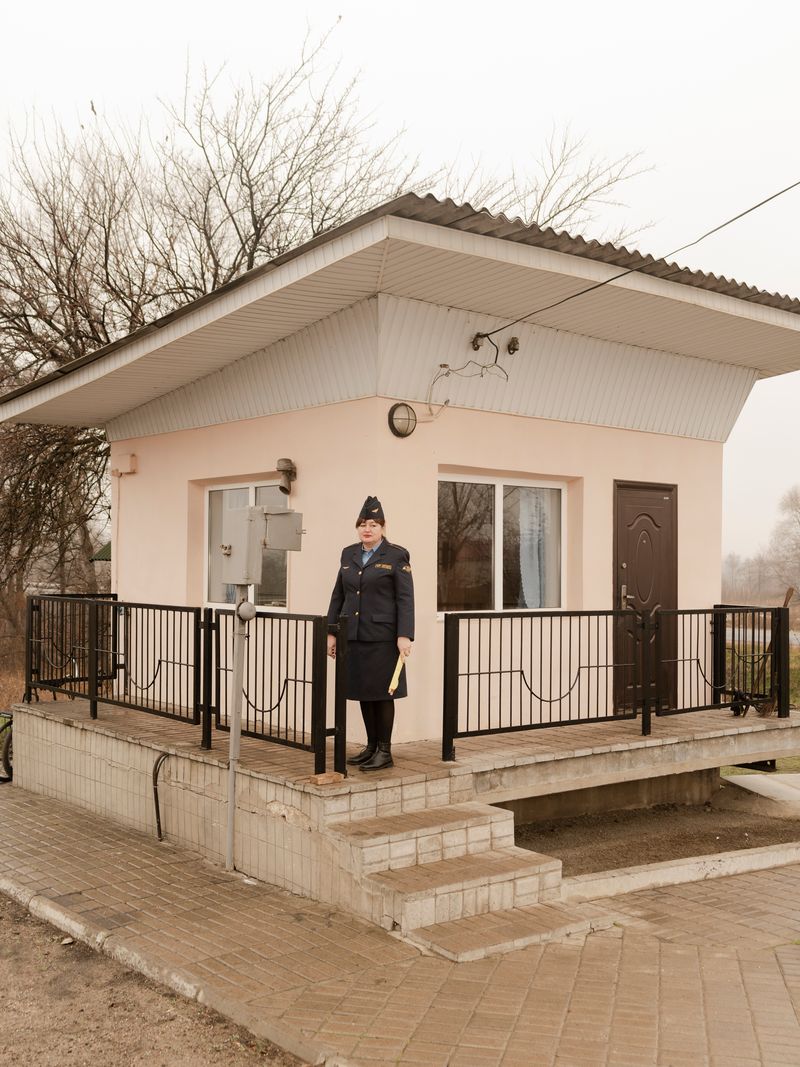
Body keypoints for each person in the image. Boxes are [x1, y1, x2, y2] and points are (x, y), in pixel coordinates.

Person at [327, 496, 414, 771]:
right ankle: (371, 746)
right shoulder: (348, 554)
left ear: (382, 528)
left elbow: (405, 599)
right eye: (363, 524)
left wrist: (405, 635)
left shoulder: (397, 555)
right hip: (354, 634)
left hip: (383, 637)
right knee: (365, 692)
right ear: (358, 528)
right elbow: (338, 595)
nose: (368, 529)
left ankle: (385, 751)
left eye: (373, 524)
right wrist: (332, 632)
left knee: (383, 694)